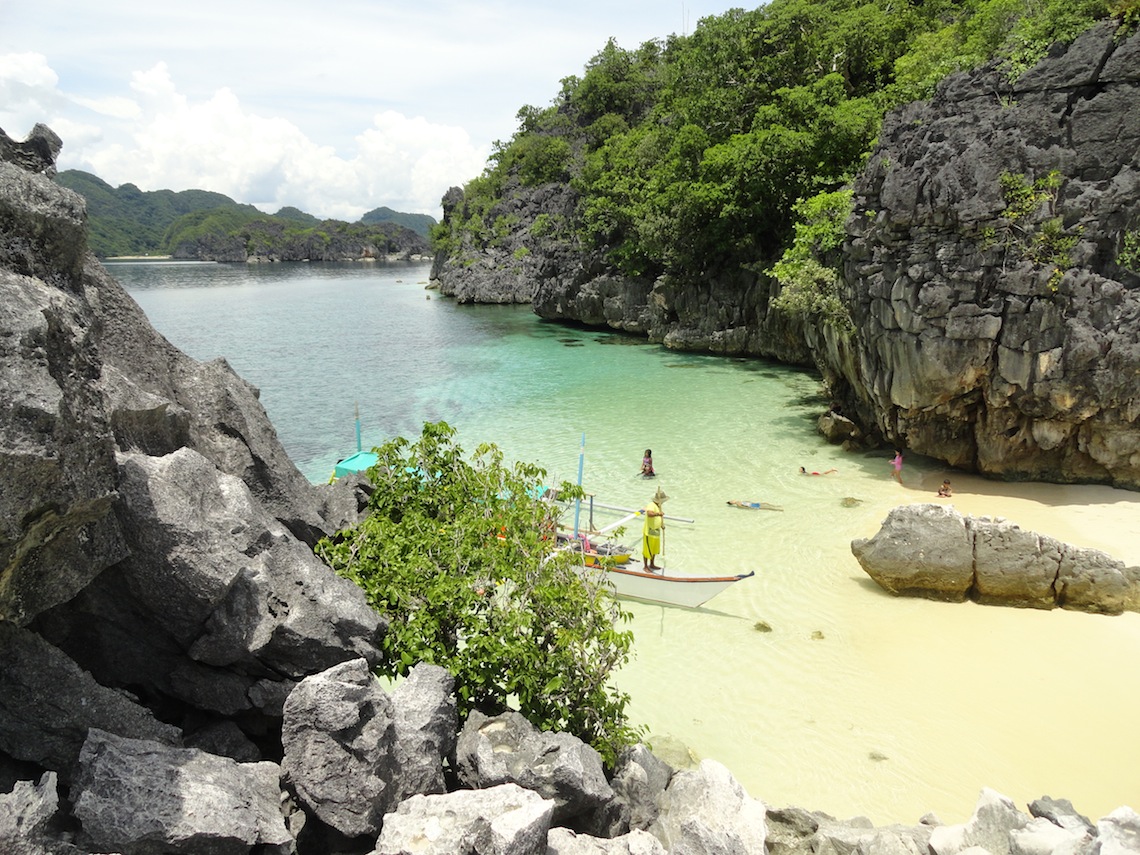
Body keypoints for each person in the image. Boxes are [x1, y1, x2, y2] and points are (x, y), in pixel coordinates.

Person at [642, 487, 667, 571]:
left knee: (654, 549)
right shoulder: (651, 505)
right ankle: (645, 566)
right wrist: (658, 514)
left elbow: (657, 519)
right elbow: (650, 514)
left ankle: (652, 564)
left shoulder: (658, 506)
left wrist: (661, 525)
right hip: (649, 531)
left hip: (656, 532)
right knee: (647, 549)